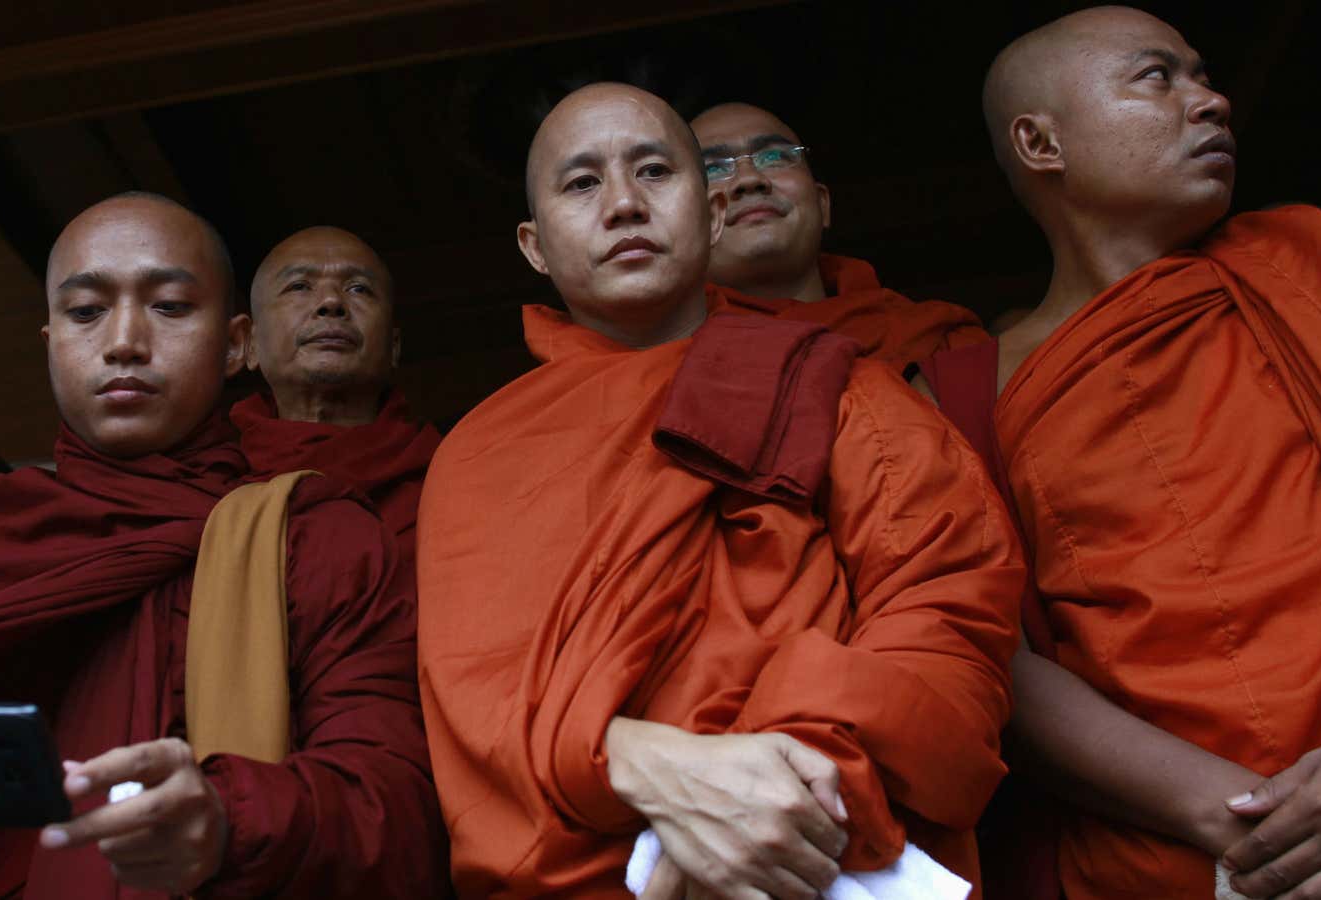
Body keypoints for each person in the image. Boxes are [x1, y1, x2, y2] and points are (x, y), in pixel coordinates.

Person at [415, 82, 1024, 899]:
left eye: (656, 171)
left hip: (822, 834)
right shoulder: (475, 452)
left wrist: (791, 796)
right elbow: (480, 716)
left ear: (708, 213)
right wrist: (641, 776)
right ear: (534, 245)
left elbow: (948, 604)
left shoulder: (838, 385)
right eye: (582, 182)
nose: (625, 204)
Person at [983, 7, 1321, 899]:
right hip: (1187, 852)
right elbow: (989, 657)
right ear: (1040, 142)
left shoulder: (1315, 267)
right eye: (1156, 77)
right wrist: (1258, 824)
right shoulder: (964, 384)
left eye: (1205, 76)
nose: (1210, 101)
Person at [0, 193, 444, 898]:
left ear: (237, 344)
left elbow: (398, 810)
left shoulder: (315, 533)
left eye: (170, 307)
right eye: (86, 313)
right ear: (51, 341)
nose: (123, 341)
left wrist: (226, 817)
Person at [690, 102, 990, 400]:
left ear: (823, 204)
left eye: (775, 157)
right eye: (713, 169)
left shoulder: (935, 339)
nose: (749, 179)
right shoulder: (667, 358)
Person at [234, 225, 443, 570]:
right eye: (299, 286)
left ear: (394, 347)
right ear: (250, 345)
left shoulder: (447, 476)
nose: (331, 303)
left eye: (359, 289)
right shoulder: (215, 478)